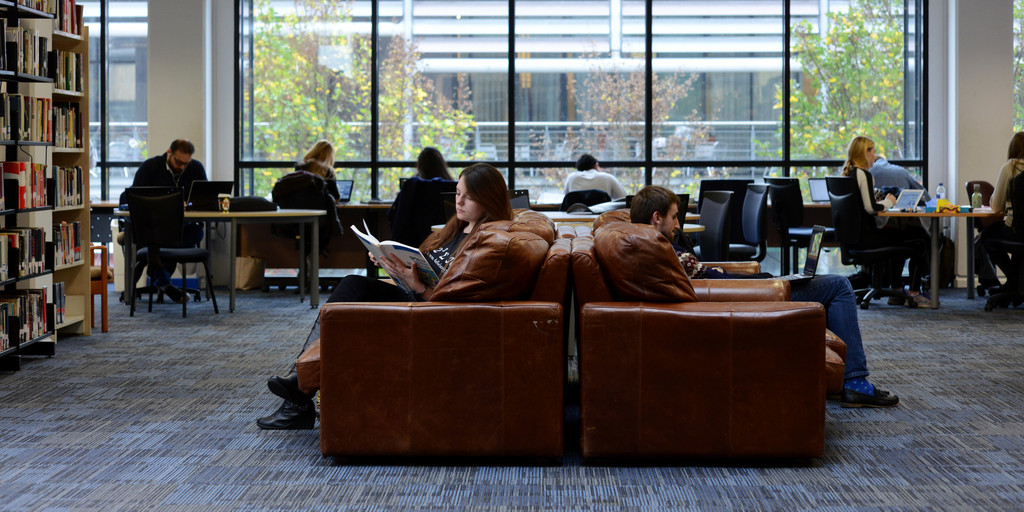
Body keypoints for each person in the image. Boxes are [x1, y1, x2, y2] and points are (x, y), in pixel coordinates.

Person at [257, 163, 515, 429]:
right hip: (415, 295)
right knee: (350, 287)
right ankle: (299, 386)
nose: (458, 201)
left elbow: (454, 301)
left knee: (350, 295)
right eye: (458, 193)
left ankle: (298, 391)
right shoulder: (457, 228)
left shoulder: (485, 240)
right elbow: (428, 269)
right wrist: (392, 266)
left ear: (489, 197)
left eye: (468, 196)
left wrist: (417, 286)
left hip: (429, 310)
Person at [631, 185, 899, 408]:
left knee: (819, 283)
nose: (678, 224)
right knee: (839, 285)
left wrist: (754, 278)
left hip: (743, 291)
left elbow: (707, 276)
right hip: (749, 298)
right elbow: (713, 284)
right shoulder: (661, 249)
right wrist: (765, 283)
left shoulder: (647, 244)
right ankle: (855, 381)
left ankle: (831, 378)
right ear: (657, 217)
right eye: (674, 217)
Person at [843, 136, 931, 307]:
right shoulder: (864, 175)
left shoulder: (849, 174)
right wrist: (890, 201)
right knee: (920, 239)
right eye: (873, 152)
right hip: (869, 238)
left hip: (856, 238)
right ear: (865, 153)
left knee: (900, 235)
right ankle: (913, 293)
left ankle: (897, 291)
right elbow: (871, 208)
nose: (875, 157)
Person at [129, 139, 208, 303]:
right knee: (155, 239)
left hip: (181, 228)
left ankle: (155, 266)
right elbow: (132, 197)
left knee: (197, 232)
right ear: (169, 153)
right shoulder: (150, 167)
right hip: (153, 227)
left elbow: (204, 199)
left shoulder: (195, 168)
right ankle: (164, 282)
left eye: (186, 164)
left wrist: (190, 204)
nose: (182, 167)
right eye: (178, 162)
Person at [980, 131, 1024, 289]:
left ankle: (1014, 280)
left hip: (1017, 230)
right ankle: (1017, 283)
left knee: (986, 237)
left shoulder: (1010, 168)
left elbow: (996, 206)